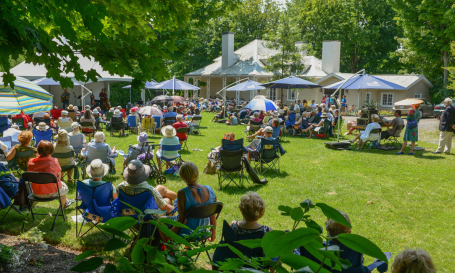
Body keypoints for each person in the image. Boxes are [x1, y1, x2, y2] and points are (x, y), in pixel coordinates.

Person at [161, 161, 217, 242]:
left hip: (186, 233)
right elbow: (212, 216)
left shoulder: (182, 193)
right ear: (197, 173)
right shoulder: (210, 190)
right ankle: (187, 249)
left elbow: (182, 220)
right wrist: (213, 233)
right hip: (202, 232)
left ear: (182, 176)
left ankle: (171, 252)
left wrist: (171, 234)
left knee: (160, 222)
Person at [27, 141, 74, 208]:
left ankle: (66, 202)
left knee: (59, 185)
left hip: (36, 192)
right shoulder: (54, 161)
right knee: (63, 187)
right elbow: (59, 176)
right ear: (52, 151)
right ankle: (64, 205)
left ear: (38, 150)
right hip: (52, 193)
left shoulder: (31, 161)